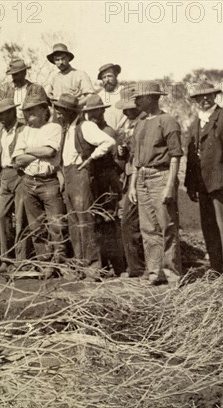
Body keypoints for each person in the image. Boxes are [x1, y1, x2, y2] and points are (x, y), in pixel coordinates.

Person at [185, 82, 223, 280]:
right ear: (195, 100)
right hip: (203, 184)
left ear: (214, 97)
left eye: (208, 96)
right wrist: (190, 185)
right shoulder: (195, 123)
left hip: (222, 181)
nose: (204, 100)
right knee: (209, 226)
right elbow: (191, 157)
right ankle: (216, 267)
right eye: (200, 97)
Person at [53, 94, 116, 275]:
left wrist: (90, 159)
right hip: (69, 176)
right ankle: (81, 266)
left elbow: (109, 141)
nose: (58, 114)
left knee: (86, 222)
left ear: (69, 111)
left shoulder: (85, 126)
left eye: (61, 111)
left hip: (81, 176)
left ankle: (94, 268)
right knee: (74, 223)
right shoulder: (67, 129)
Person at [128, 82, 183, 285]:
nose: (136, 102)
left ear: (152, 98)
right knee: (148, 228)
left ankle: (172, 276)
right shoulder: (140, 123)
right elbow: (136, 158)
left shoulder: (167, 121)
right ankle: (154, 273)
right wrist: (133, 185)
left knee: (166, 226)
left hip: (161, 176)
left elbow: (176, 156)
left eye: (139, 98)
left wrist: (169, 186)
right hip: (142, 177)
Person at [12, 94, 66, 277]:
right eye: (26, 112)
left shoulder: (54, 127)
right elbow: (17, 160)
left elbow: (50, 150)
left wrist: (28, 150)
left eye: (32, 111)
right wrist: (38, 152)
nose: (28, 115)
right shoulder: (24, 132)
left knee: (56, 224)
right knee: (37, 227)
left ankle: (59, 263)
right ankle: (45, 264)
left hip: (48, 181)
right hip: (29, 181)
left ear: (44, 110)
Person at [81, 94, 126, 275]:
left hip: (107, 181)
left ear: (102, 111)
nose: (92, 115)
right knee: (95, 222)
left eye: (96, 111)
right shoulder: (86, 131)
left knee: (109, 221)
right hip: (92, 181)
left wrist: (114, 182)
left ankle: (118, 265)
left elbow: (118, 161)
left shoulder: (108, 132)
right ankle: (102, 264)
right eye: (89, 112)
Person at [0, 98, 33, 273]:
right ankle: (5, 259)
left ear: (13, 113)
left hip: (21, 174)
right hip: (4, 176)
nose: (0, 117)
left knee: (21, 218)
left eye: (3, 114)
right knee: (0, 216)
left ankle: (21, 259)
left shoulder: (24, 130)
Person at [115, 86, 146, 278]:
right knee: (129, 222)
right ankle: (136, 267)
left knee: (144, 224)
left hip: (144, 177)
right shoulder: (126, 125)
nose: (126, 112)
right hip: (130, 179)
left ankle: (144, 267)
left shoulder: (147, 122)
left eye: (130, 107)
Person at [0, 59, 48, 125]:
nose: (14, 78)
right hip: (13, 125)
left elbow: (45, 111)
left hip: (32, 125)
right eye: (13, 75)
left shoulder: (37, 88)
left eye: (16, 74)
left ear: (24, 72)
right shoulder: (6, 89)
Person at [96, 63, 126, 131]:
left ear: (116, 75)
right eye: (104, 77)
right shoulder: (99, 96)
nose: (107, 80)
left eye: (109, 76)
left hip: (124, 132)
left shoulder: (124, 92)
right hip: (105, 134)